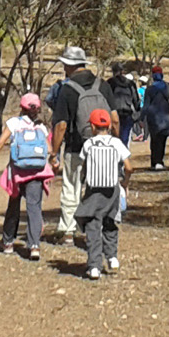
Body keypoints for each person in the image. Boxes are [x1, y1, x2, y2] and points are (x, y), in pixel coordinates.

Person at [0, 92, 55, 259]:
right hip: (37, 174)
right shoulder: (41, 127)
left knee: (13, 207)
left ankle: (8, 242)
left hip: (17, 174)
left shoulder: (14, 123)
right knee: (34, 208)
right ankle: (34, 246)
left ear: (22, 107)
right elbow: (49, 150)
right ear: (38, 109)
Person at [47, 45, 110, 245]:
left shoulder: (67, 89)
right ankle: (95, 229)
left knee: (71, 187)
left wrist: (54, 152)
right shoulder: (103, 85)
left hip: (75, 147)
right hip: (102, 148)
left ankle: (68, 230)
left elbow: (61, 125)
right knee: (97, 188)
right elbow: (115, 118)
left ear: (69, 65)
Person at [76, 108, 131, 279]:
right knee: (110, 221)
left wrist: (82, 182)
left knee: (93, 226)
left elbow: (83, 167)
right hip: (112, 190)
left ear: (93, 127)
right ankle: (112, 257)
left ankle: (94, 266)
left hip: (93, 191)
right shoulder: (116, 143)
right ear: (108, 126)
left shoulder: (88, 144)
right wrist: (125, 183)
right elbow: (129, 167)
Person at [141, 64, 169, 170]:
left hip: (153, 118)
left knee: (154, 141)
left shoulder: (150, 89)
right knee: (162, 140)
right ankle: (159, 161)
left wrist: (141, 118)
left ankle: (154, 162)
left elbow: (146, 105)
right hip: (166, 118)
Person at [105, 61, 141, 147]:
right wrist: (137, 113)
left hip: (113, 114)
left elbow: (105, 99)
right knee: (125, 139)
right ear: (122, 71)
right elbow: (136, 101)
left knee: (113, 139)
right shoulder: (130, 83)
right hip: (127, 113)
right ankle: (123, 153)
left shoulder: (110, 82)